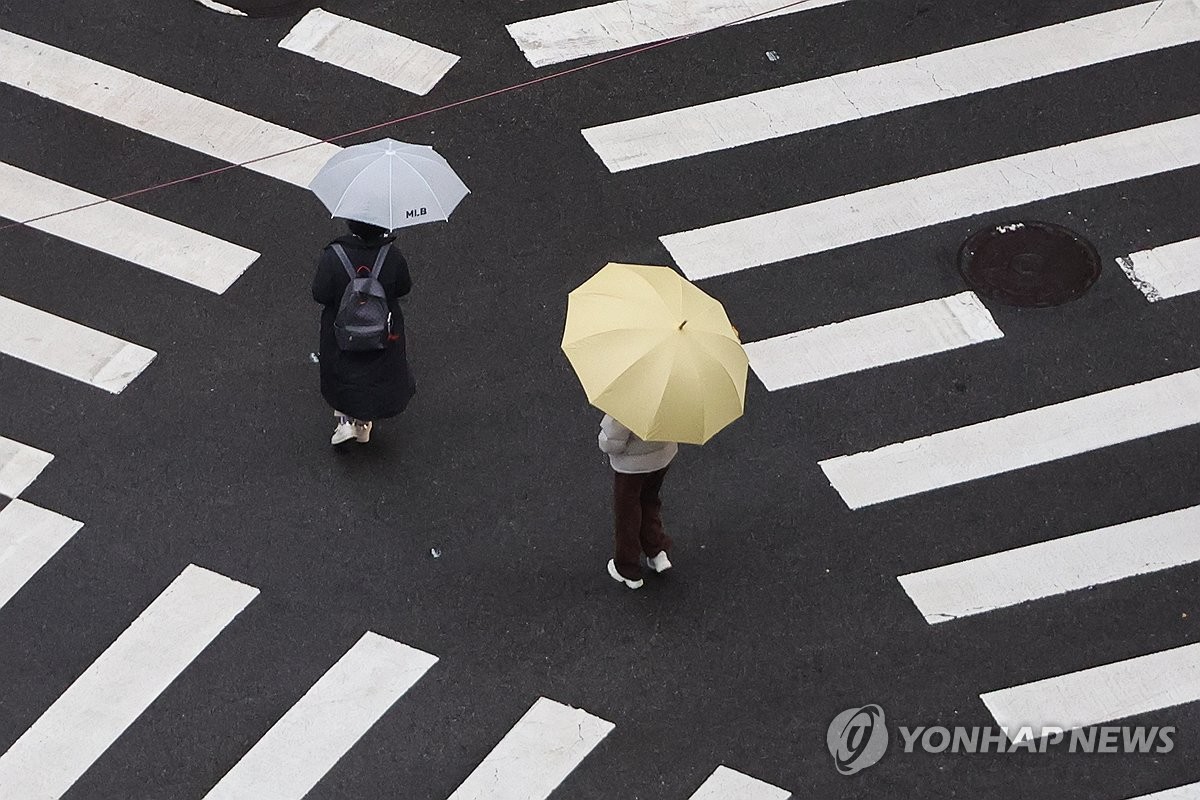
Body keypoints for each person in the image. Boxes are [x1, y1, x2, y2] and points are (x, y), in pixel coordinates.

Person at [312, 219, 415, 446]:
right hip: (380, 333)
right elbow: (403, 287)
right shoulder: (392, 256)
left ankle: (345, 422)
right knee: (373, 374)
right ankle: (362, 423)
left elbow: (319, 292)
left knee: (343, 373)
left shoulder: (334, 255)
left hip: (342, 332)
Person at [598, 413, 678, 589]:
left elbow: (612, 441)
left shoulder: (629, 404)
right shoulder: (670, 398)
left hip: (631, 468)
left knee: (628, 513)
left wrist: (602, 439)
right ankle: (656, 550)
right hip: (663, 458)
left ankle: (628, 568)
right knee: (650, 501)